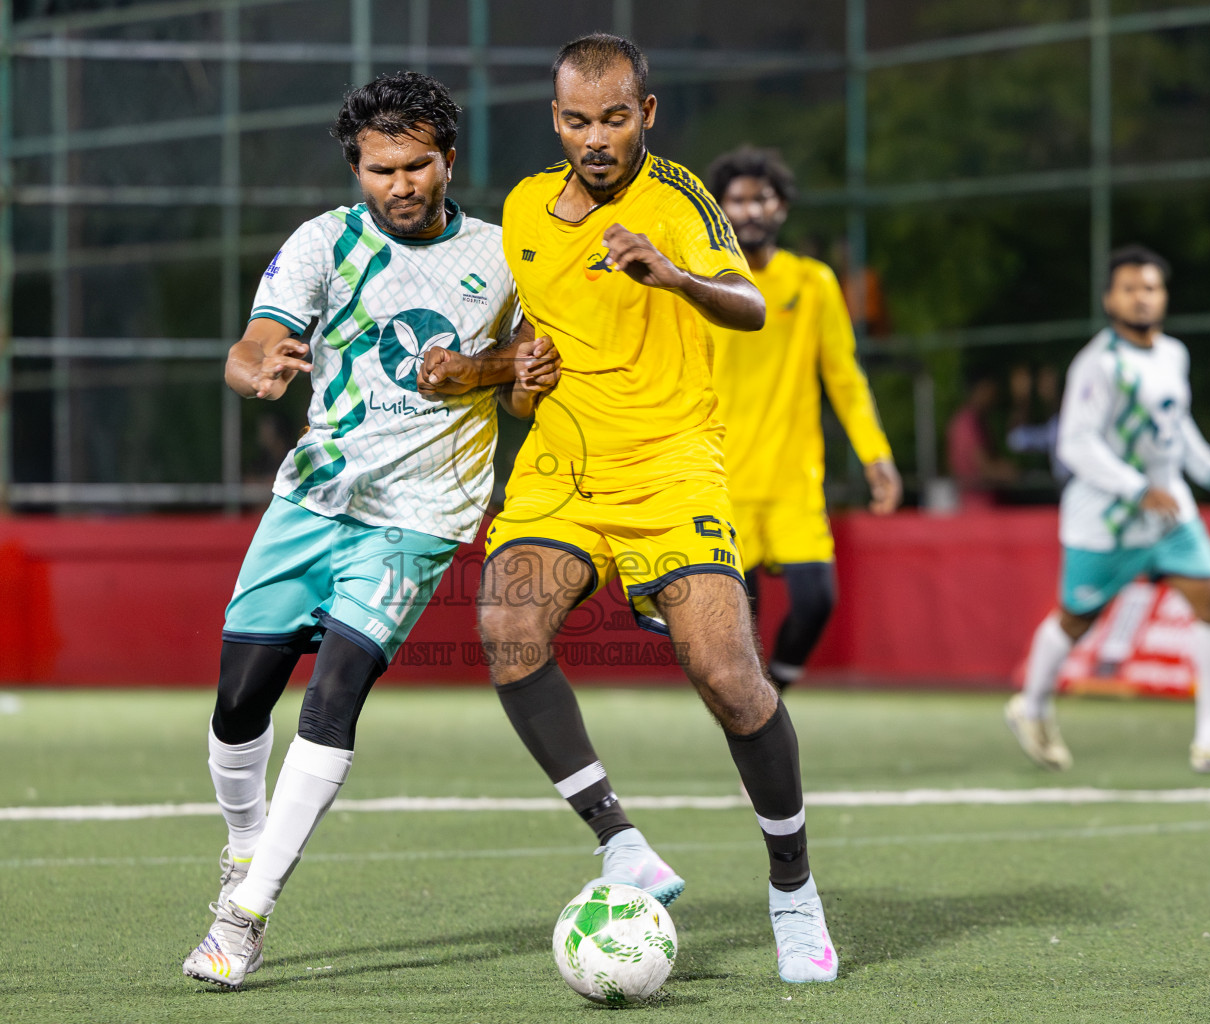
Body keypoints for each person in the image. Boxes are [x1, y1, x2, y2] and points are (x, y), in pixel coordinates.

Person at [181, 70, 560, 990]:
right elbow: (250, 345)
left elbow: (517, 392)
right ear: (357, 168)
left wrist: (509, 376)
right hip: (313, 498)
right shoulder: (324, 241)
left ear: (448, 160)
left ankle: (246, 914)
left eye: (417, 165)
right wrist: (257, 370)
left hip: (424, 515)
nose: (400, 184)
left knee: (335, 692)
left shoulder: (505, 254)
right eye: (381, 169)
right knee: (239, 703)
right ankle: (243, 841)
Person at [479, 34, 839, 984]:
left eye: (613, 117)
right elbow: (527, 341)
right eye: (576, 119)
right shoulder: (521, 209)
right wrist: (517, 377)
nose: (595, 137)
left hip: (673, 469)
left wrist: (672, 276)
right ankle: (619, 842)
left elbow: (748, 305)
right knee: (508, 627)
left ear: (647, 111)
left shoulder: (677, 198)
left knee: (729, 679)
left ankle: (794, 891)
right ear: (554, 119)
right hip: (560, 470)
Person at [1005, 245, 1210, 774]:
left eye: (1150, 287)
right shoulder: (1098, 364)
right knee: (1075, 619)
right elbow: (1075, 446)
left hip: (1170, 514)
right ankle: (1030, 707)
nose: (1141, 297)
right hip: (1107, 520)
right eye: (1129, 288)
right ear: (1110, 298)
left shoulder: (1173, 355)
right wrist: (1135, 488)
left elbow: (1178, 429)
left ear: (1164, 296)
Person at [706, 145, 901, 688]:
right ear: (720, 210)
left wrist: (876, 456)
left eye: (760, 199)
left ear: (781, 208)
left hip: (794, 482)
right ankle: (753, 731)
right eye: (737, 201)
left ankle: (773, 699)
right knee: (734, 628)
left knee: (817, 602)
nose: (749, 210)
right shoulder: (704, 286)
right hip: (722, 482)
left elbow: (844, 378)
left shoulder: (813, 284)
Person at [946, 375, 1016, 506]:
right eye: (992, 390)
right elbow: (985, 467)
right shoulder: (969, 423)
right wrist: (1011, 472)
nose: (995, 396)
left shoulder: (970, 420)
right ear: (981, 389)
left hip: (976, 504)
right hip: (980, 507)